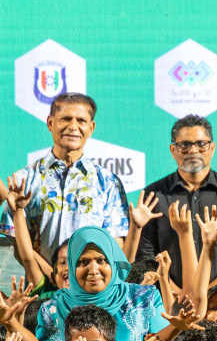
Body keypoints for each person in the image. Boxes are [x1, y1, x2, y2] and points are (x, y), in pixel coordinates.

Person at [14, 92, 131, 264]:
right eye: (65, 119)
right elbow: (20, 246)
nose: (73, 126)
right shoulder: (24, 179)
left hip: (92, 287)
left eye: (81, 121)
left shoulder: (108, 182)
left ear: (91, 128)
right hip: (41, 287)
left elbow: (116, 242)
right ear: (50, 123)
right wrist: (54, 276)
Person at [134, 115, 217, 289]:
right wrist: (177, 295)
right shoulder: (153, 195)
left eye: (201, 144)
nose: (193, 150)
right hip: (169, 302)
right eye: (184, 145)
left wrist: (210, 294)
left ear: (212, 148)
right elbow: (146, 257)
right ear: (172, 150)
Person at [35, 227, 168, 341]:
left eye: (101, 260)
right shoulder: (51, 310)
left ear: (113, 262)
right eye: (83, 262)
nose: (93, 270)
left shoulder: (144, 298)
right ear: (72, 265)